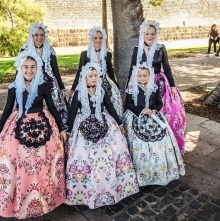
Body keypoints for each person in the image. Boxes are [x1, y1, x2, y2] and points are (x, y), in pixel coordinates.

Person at [0, 51, 67, 219]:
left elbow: (52, 107)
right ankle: (18, 197)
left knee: (47, 157)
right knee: (12, 156)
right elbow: (7, 110)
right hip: (18, 123)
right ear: (20, 68)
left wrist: (61, 128)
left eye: (32, 67)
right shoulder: (14, 87)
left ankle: (44, 195)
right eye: (26, 67)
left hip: (43, 123)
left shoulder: (43, 86)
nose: (29, 71)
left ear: (37, 69)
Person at [65, 63, 139, 209]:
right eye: (90, 76)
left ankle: (112, 187)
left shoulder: (102, 91)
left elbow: (110, 108)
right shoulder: (79, 93)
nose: (93, 78)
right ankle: (88, 190)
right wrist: (67, 131)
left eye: (96, 76)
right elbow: (72, 113)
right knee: (85, 155)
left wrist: (118, 124)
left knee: (112, 151)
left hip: (104, 122)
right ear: (84, 77)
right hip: (84, 125)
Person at [127, 20, 186, 155]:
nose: (150, 36)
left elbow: (167, 67)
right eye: (147, 34)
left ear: (155, 34)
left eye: (152, 34)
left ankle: (169, 143)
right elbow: (132, 69)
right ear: (143, 34)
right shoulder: (137, 50)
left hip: (159, 83)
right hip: (141, 82)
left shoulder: (161, 48)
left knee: (167, 111)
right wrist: (128, 88)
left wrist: (172, 86)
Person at [123, 64, 185, 186]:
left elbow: (159, 103)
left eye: (145, 76)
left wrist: (154, 110)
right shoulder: (132, 88)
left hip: (153, 116)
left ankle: (159, 170)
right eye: (139, 76)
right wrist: (141, 111)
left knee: (160, 141)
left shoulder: (154, 87)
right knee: (138, 142)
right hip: (136, 116)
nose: (142, 78)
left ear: (150, 76)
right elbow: (128, 104)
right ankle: (140, 173)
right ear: (135, 76)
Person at [20, 22, 68, 128]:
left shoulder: (50, 50)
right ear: (32, 36)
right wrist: (16, 85)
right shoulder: (25, 50)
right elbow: (19, 70)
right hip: (31, 84)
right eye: (36, 35)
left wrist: (62, 87)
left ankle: (58, 130)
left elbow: (55, 70)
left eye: (42, 35)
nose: (39, 38)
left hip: (50, 84)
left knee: (55, 108)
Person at [70, 27, 123, 117]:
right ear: (92, 39)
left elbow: (111, 72)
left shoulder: (107, 55)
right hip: (90, 84)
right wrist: (73, 88)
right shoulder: (85, 54)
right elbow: (80, 72)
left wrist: (117, 87)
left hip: (105, 83)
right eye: (95, 38)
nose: (98, 40)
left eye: (100, 38)